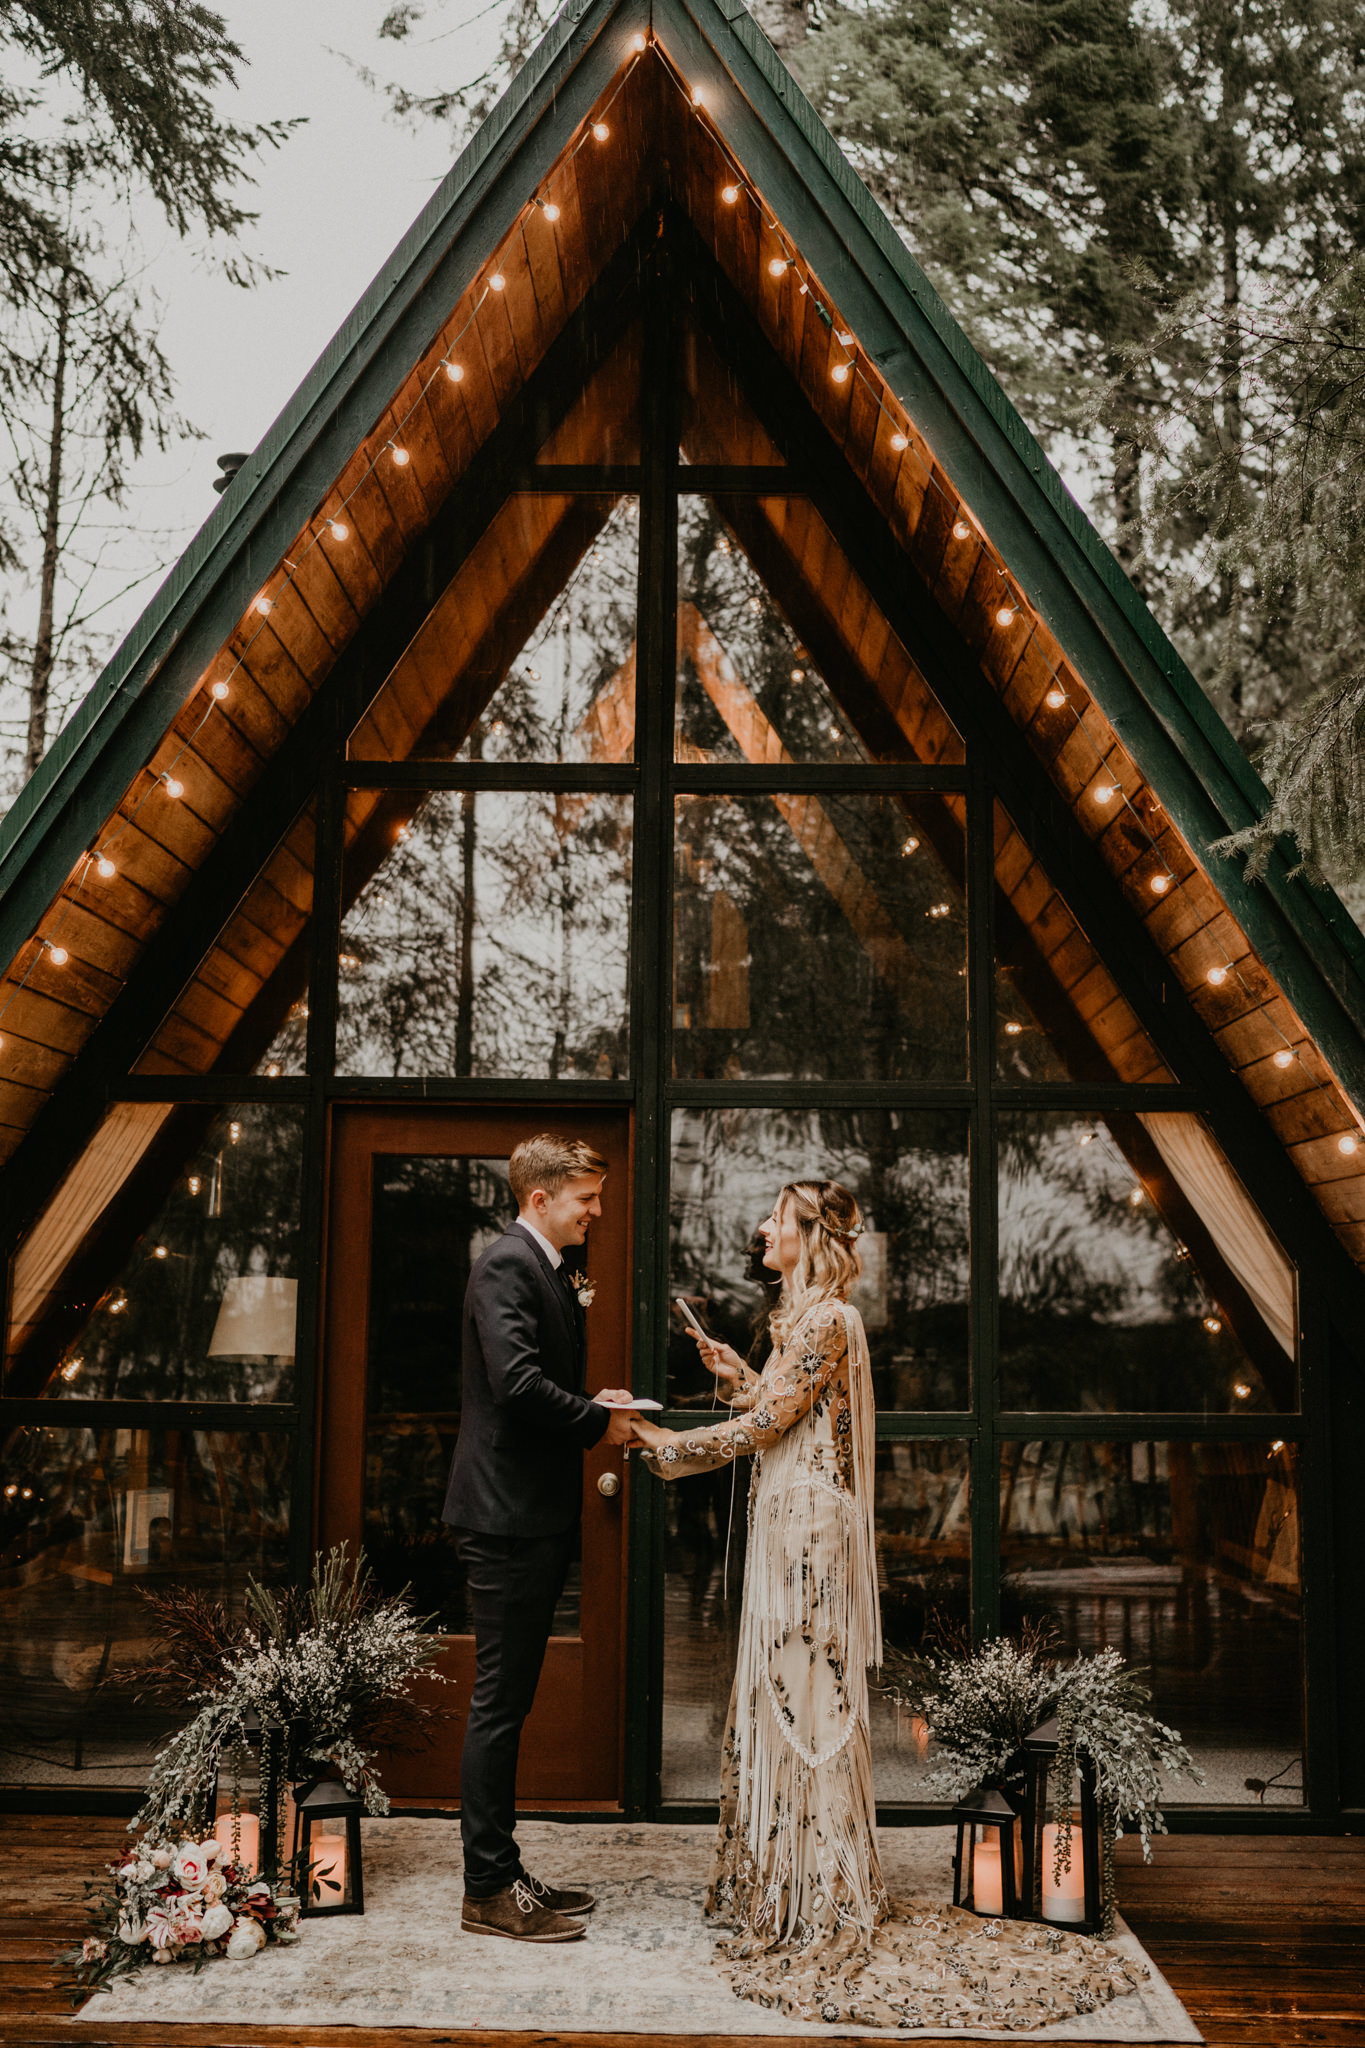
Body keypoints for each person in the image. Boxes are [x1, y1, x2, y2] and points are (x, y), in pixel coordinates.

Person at [631, 1180, 1143, 2029]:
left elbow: (769, 1429)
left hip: (807, 1533)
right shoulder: (800, 1321)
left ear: (808, 1235)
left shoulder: (829, 1319)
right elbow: (786, 1410)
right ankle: (782, 1879)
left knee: (805, 1696)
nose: (760, 1229)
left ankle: (819, 1889)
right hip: (787, 1514)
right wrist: (741, 1374)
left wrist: (668, 1447)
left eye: (774, 1219)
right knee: (782, 1687)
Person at [443, 1133, 638, 1943]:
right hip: (503, 1518)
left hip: (527, 1514)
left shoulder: (539, 1268)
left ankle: (504, 1869)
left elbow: (532, 1380)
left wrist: (596, 1396)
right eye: (586, 1198)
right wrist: (599, 1420)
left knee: (510, 1700)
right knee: (498, 1704)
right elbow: (515, 1385)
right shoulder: (504, 1265)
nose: (597, 1210)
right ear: (539, 1199)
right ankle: (486, 1888)